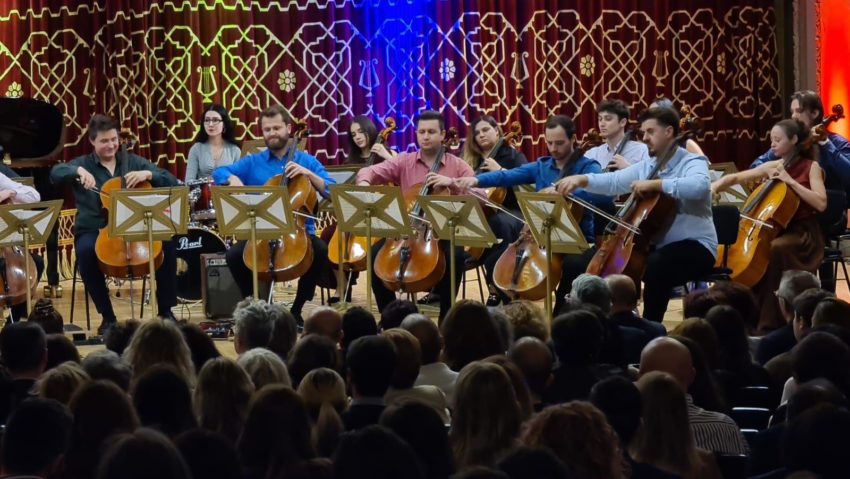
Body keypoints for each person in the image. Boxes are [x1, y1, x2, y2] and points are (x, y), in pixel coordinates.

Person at [555, 106, 717, 323]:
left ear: (669, 132)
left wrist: (656, 184)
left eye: (650, 132)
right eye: (643, 133)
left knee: (657, 265)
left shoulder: (692, 162)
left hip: (697, 246)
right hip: (656, 246)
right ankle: (610, 323)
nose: (645, 138)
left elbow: (699, 187)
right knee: (623, 267)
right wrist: (581, 180)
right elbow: (613, 181)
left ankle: (651, 326)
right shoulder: (648, 164)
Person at [454, 115, 613, 312]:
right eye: (549, 143)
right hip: (539, 240)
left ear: (573, 140)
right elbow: (506, 175)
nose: (554, 149)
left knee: (573, 266)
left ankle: (560, 317)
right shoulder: (542, 165)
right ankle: (518, 313)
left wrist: (569, 190)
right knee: (495, 262)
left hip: (577, 242)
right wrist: (476, 181)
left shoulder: (588, 166)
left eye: (560, 143)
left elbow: (604, 195)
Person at [50, 114, 180, 333]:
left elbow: (171, 180)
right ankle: (108, 317)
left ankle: (166, 311)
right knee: (84, 252)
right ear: (92, 141)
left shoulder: (133, 162)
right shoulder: (82, 164)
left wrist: (148, 173)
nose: (111, 145)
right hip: (95, 230)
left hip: (135, 227)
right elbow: (55, 173)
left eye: (113, 139)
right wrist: (77, 172)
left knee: (166, 244)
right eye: (104, 141)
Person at [212, 105, 335, 322]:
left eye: (276, 128)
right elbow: (219, 171)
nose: (272, 133)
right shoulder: (253, 161)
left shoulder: (306, 161)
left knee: (320, 250)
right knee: (233, 255)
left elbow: (333, 192)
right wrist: (231, 178)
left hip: (299, 234)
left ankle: (296, 310)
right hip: (262, 232)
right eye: (267, 129)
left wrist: (309, 175)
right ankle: (256, 305)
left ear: (289, 128)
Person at [355, 110, 476, 319]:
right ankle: (391, 317)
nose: (426, 136)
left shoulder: (457, 165)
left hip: (443, 232)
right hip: (407, 229)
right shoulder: (404, 161)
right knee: (374, 256)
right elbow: (369, 172)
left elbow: (480, 194)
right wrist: (365, 183)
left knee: (454, 257)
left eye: (431, 132)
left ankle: (446, 320)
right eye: (422, 132)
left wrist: (452, 183)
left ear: (442, 134)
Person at [712, 119, 827, 332]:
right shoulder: (774, 165)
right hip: (775, 230)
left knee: (775, 249)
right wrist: (717, 185)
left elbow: (821, 203)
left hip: (803, 235)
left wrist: (790, 181)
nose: (772, 144)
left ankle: (771, 322)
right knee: (755, 251)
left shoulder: (812, 167)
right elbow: (737, 177)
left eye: (777, 140)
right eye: (771, 139)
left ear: (793, 140)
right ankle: (747, 317)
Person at [460, 115, 528, 305]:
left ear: (497, 131)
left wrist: (502, 171)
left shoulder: (514, 156)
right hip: (479, 212)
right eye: (477, 133)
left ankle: (496, 285)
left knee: (498, 224)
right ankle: (441, 289)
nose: (481, 135)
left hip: (512, 211)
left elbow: (526, 188)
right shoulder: (468, 159)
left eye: (485, 130)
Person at [584, 98, 649, 170]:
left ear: (623, 122)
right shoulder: (592, 154)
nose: (602, 124)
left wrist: (628, 169)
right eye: (600, 119)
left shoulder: (642, 150)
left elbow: (651, 179)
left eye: (608, 119)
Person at [185, 104, 241, 181]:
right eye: (207, 120)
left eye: (215, 120)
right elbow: (188, 181)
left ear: (224, 124)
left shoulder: (234, 150)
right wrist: (205, 182)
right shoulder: (196, 148)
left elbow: (240, 180)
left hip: (227, 192)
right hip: (203, 191)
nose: (210, 124)